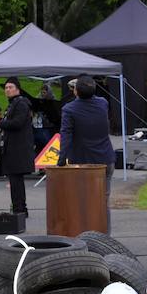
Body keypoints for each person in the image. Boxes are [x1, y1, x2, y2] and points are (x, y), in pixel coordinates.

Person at [57, 74, 116, 228]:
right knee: (103, 202)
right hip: (105, 158)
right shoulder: (103, 103)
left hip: (83, 163)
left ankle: (86, 237)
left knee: (83, 202)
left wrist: (61, 160)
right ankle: (104, 235)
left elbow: (66, 136)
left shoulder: (69, 109)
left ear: (75, 91)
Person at [0, 76, 34, 215]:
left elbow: (17, 123)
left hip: (18, 149)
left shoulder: (21, 104)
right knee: (15, 182)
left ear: (18, 89)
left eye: (10, 87)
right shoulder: (14, 103)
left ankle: (20, 209)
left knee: (16, 182)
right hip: (12, 148)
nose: (7, 90)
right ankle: (19, 208)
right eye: (6, 88)